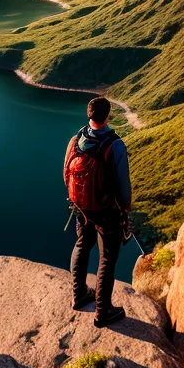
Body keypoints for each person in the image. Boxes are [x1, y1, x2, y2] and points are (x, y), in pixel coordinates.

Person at [63, 96, 132, 328]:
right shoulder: (115, 145)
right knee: (107, 259)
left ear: (89, 115)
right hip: (106, 210)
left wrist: (79, 198)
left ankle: (79, 294)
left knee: (82, 244)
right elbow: (124, 185)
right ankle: (103, 311)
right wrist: (125, 208)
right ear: (108, 116)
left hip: (81, 206)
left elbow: (66, 173)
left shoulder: (76, 139)